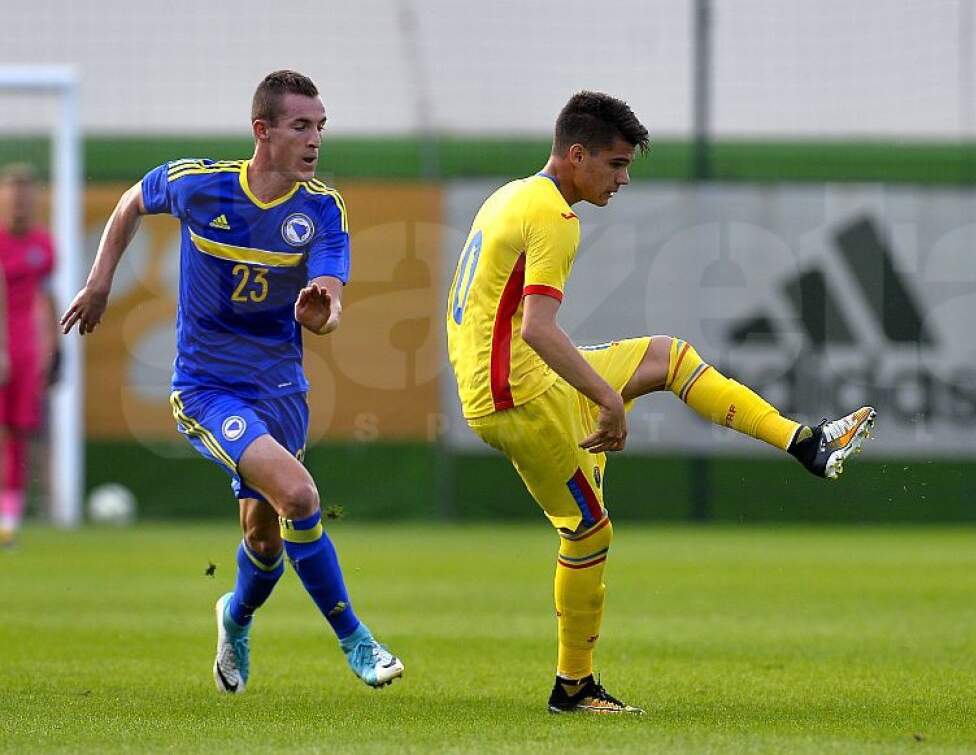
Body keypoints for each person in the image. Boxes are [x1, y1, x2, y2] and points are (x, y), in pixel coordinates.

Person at [445, 90, 876, 714]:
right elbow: (537, 328)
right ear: (576, 154)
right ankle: (574, 688)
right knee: (588, 531)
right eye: (615, 165)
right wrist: (606, 400)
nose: (623, 180)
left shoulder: (513, 195)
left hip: (519, 378)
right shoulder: (554, 218)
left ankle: (806, 443)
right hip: (515, 397)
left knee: (665, 358)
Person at [61, 70, 404, 692]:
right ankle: (358, 639)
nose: (314, 139)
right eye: (301, 126)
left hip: (281, 391)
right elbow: (131, 202)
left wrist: (321, 315)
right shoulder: (201, 186)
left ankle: (235, 617)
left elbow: (330, 302)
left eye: (320, 126)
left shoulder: (322, 208)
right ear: (262, 131)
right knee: (300, 496)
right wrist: (100, 281)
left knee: (264, 540)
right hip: (206, 389)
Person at [0, 164, 56, 549]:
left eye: (26, 195)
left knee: (19, 436)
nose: (20, 203)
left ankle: (8, 522)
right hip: (4, 348)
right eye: (12, 195)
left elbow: (46, 301)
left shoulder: (44, 247)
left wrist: (53, 351)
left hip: (27, 354)